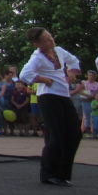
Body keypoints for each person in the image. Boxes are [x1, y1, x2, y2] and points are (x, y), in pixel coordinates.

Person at [20, 27, 81, 186]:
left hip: (63, 96)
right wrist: (43, 80)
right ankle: (49, 174)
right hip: (48, 97)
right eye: (46, 39)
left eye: (50, 37)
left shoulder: (59, 51)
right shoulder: (37, 57)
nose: (51, 40)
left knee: (74, 133)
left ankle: (63, 173)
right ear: (37, 44)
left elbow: (73, 60)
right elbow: (24, 74)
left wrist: (72, 73)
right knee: (56, 135)